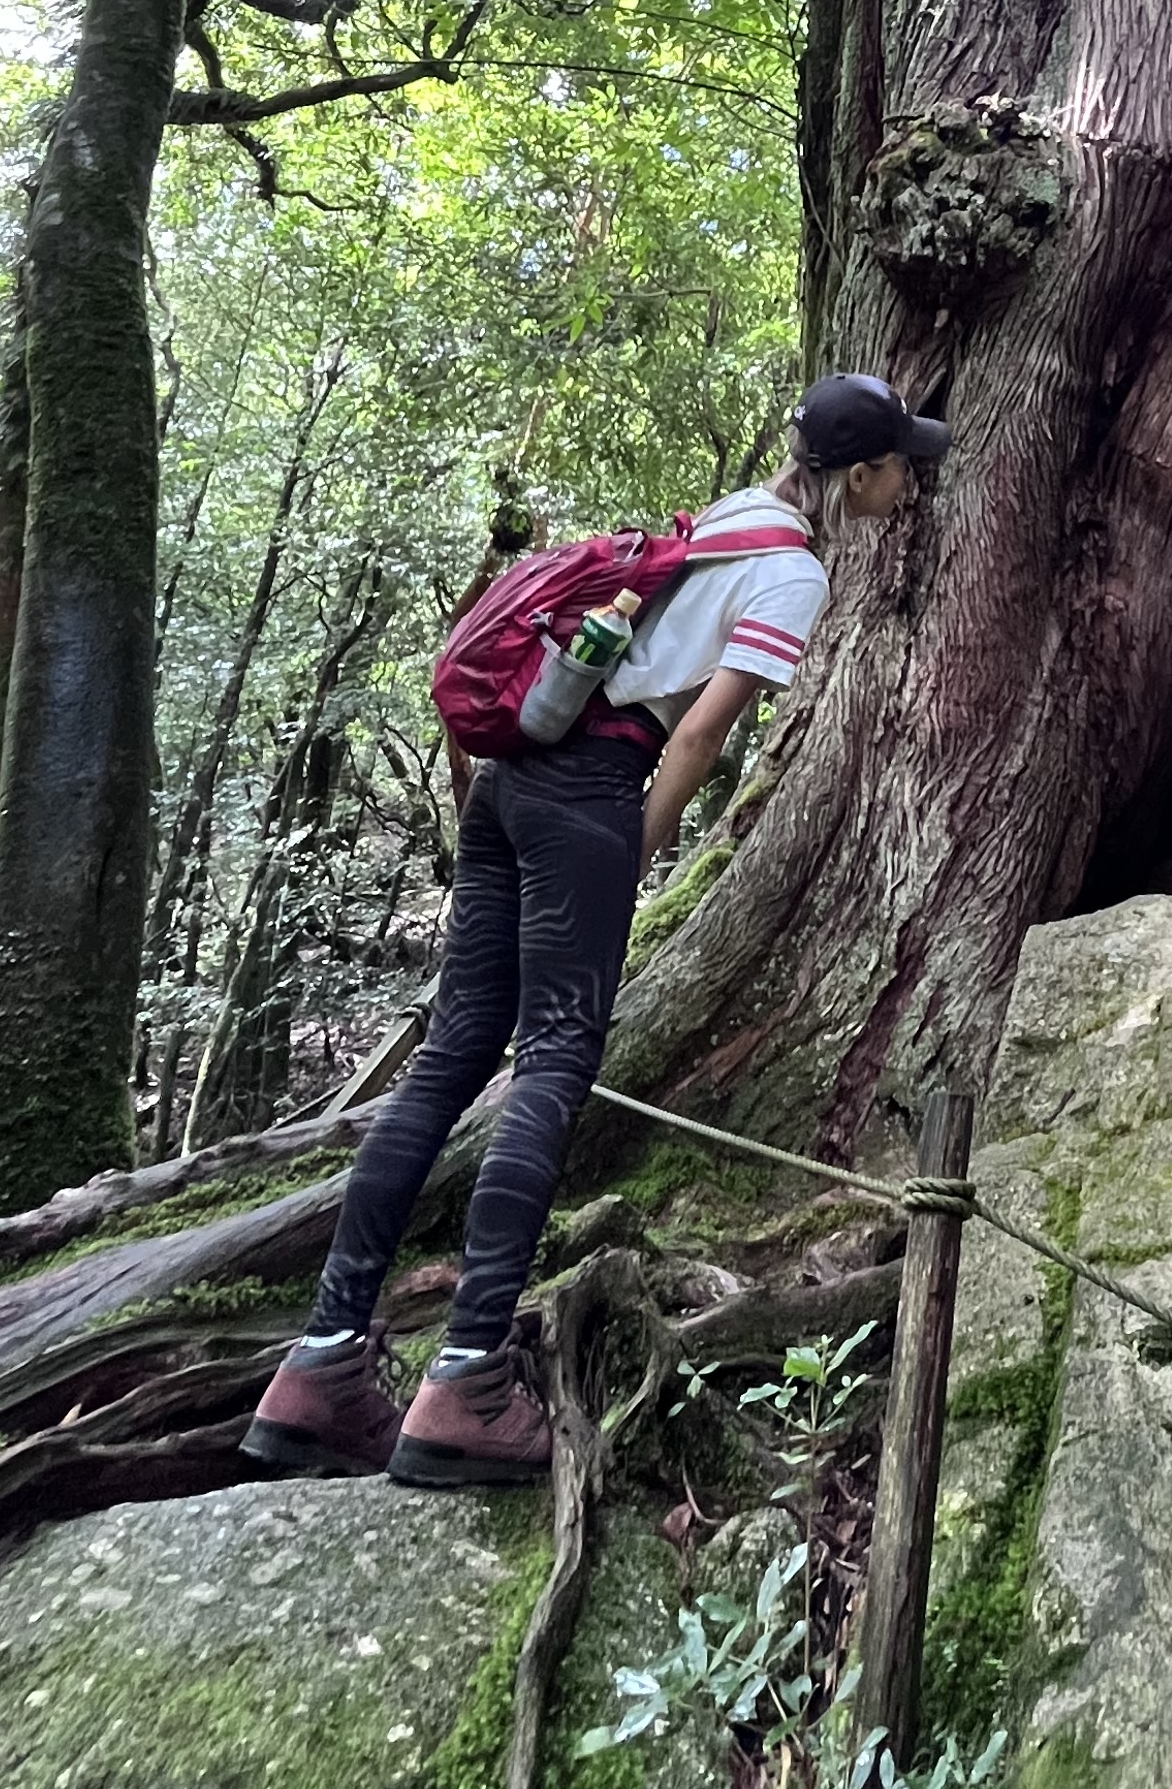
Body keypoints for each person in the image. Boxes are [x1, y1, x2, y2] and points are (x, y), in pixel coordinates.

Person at [241, 372, 947, 1486]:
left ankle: (320, 1365)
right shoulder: (793, 570)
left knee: (452, 1056)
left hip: (509, 783)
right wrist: (641, 845)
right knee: (557, 1061)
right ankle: (467, 1379)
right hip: (588, 797)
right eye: (903, 462)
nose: (912, 480)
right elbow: (702, 736)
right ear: (858, 474)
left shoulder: (721, 520)